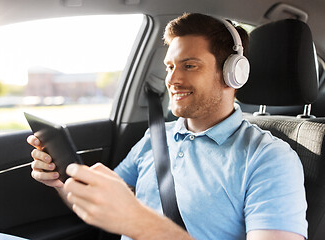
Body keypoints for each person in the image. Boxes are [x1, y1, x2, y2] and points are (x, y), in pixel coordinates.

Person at [28, 13, 307, 240]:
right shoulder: (156, 136)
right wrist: (59, 182)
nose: (172, 79)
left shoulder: (269, 158)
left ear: (233, 73)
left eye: (189, 65)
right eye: (170, 66)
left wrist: (137, 220)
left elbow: (128, 215)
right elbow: (102, 205)